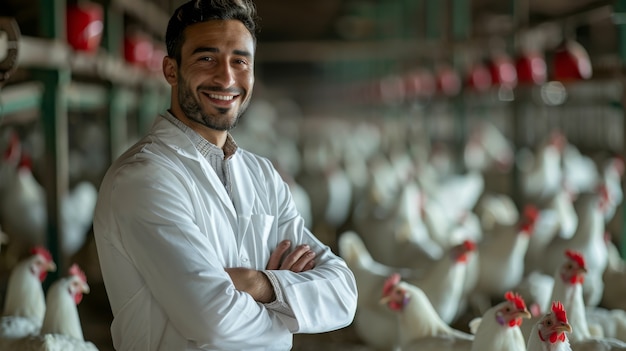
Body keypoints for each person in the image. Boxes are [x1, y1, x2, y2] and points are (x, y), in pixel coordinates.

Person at [92, 1, 358, 350]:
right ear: (171, 70)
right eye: (206, 58)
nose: (227, 77)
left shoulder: (262, 176)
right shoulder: (144, 179)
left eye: (240, 61)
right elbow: (214, 322)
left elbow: (343, 296)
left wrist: (258, 282)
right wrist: (288, 313)